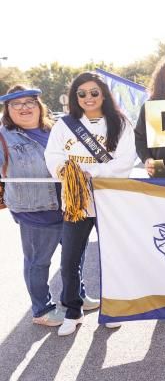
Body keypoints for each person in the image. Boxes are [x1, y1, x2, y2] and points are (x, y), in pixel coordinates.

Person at [0, 85, 101, 327]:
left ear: (39, 105)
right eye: (16, 104)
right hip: (35, 212)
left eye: (29, 102)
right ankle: (41, 309)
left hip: (72, 205)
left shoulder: (57, 129)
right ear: (8, 109)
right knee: (38, 262)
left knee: (74, 258)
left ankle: (75, 297)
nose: (24, 107)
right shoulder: (3, 136)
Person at [45, 72, 137, 336]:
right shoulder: (64, 125)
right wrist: (68, 171)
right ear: (75, 97)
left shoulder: (120, 123)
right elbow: (52, 155)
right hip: (76, 201)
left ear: (104, 94)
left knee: (111, 256)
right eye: (81, 93)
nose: (88, 98)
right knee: (70, 258)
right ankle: (73, 311)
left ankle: (113, 308)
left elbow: (125, 162)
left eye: (94, 92)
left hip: (109, 198)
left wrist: (91, 172)